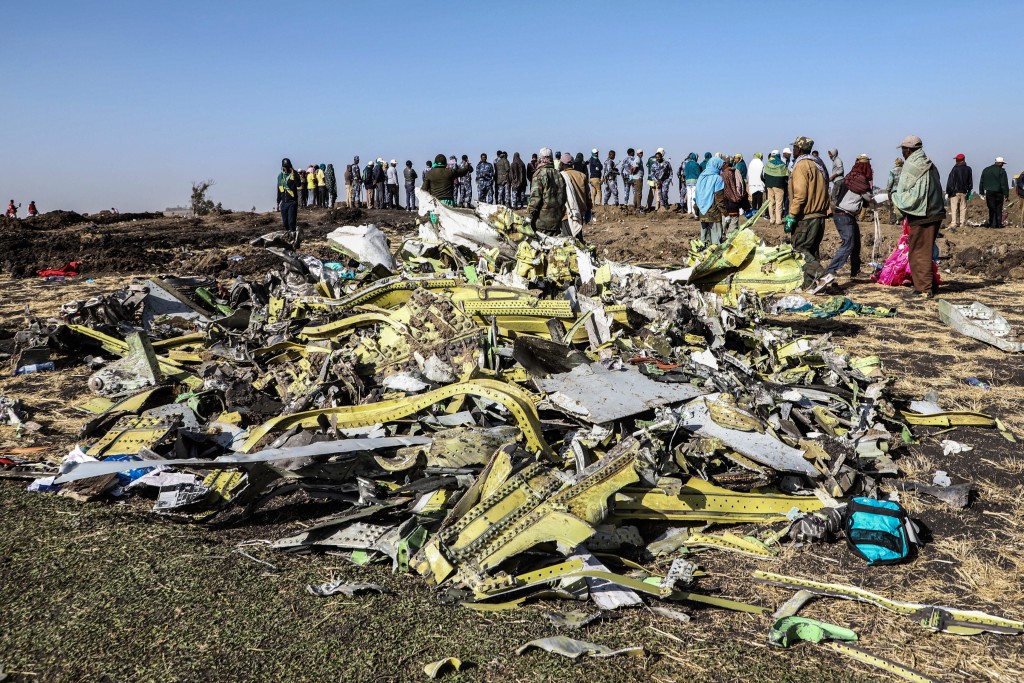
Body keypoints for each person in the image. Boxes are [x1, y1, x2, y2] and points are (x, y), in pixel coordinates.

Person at [892, 135, 945, 298]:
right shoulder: (929, 163)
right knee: (925, 249)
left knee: (918, 251)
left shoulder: (911, 165)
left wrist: (896, 198)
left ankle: (923, 288)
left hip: (923, 213)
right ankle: (929, 284)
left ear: (908, 149)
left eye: (903, 149)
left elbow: (905, 192)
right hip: (936, 211)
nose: (902, 152)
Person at [786, 136, 830, 287]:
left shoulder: (801, 166)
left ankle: (823, 275)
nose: (793, 151)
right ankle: (810, 284)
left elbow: (800, 195)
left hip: (806, 216)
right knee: (812, 251)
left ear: (798, 149)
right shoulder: (818, 165)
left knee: (800, 249)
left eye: (794, 148)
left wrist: (791, 216)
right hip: (819, 215)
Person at [825, 156, 874, 283]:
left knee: (855, 243)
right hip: (844, 215)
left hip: (846, 215)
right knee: (848, 243)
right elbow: (868, 198)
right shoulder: (860, 181)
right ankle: (830, 270)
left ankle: (855, 271)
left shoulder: (851, 177)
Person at [528, 147, 567, 235]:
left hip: (542, 223)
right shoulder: (559, 175)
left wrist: (529, 217)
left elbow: (535, 199)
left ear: (540, 158)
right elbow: (564, 197)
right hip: (557, 220)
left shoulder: (538, 174)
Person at [560, 152, 592, 237]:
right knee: (578, 238)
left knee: (570, 242)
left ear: (562, 164)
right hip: (580, 213)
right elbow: (588, 196)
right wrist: (589, 209)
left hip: (567, 214)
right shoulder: (582, 176)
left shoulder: (561, 176)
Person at [695, 157, 726, 244]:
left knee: (704, 240)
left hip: (702, 212)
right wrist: (725, 214)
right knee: (716, 241)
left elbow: (696, 196)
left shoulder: (701, 177)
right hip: (713, 213)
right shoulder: (717, 178)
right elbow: (719, 199)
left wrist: (696, 211)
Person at [979, 156, 1009, 228]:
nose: (1003, 165)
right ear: (1000, 163)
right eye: (1002, 163)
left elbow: (982, 182)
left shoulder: (986, 170)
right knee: (998, 208)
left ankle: (993, 223)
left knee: (991, 208)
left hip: (989, 192)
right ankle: (998, 224)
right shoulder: (1001, 171)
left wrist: (981, 192)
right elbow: (1004, 184)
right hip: (999, 193)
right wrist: (1006, 194)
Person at [945, 154, 972, 229]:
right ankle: (962, 223)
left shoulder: (954, 169)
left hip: (954, 192)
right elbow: (970, 181)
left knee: (954, 208)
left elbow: (950, 181)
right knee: (963, 207)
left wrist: (948, 191)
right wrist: (969, 190)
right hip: (964, 191)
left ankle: (953, 223)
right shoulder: (968, 169)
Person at [276, 158, 300, 238]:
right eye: (284, 166)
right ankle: (288, 237)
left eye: (287, 166)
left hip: (292, 202)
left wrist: (294, 173)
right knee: (285, 223)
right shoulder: (280, 176)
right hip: (284, 203)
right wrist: (278, 202)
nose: (285, 168)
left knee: (291, 222)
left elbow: (298, 184)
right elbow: (279, 190)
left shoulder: (294, 174)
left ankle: (293, 238)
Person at [721, 158, 744, 232]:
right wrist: (738, 197)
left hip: (724, 202)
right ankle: (730, 239)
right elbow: (740, 186)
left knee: (723, 224)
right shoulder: (736, 172)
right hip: (734, 202)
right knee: (733, 224)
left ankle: (722, 240)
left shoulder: (722, 174)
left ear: (726, 164)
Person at [885, 158, 904, 224]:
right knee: (902, 206)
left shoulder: (892, 171)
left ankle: (893, 220)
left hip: (895, 191)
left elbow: (890, 181)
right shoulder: (905, 170)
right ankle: (903, 220)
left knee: (893, 206)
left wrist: (888, 190)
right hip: (904, 191)